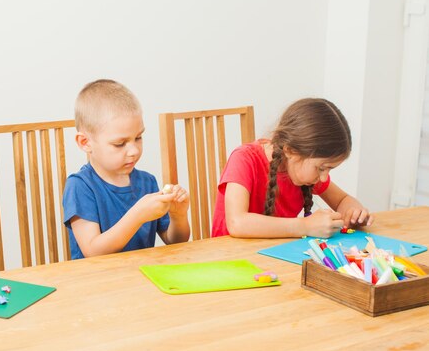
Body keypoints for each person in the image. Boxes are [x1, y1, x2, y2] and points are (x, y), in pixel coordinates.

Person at [63, 79, 190, 259]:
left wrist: (179, 216)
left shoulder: (147, 182)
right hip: (97, 282)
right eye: (120, 144)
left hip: (142, 278)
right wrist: (137, 215)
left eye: (138, 138)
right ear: (85, 143)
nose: (134, 150)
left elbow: (175, 242)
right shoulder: (80, 186)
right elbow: (93, 251)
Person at [211, 98, 373, 238]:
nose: (324, 178)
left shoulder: (303, 170)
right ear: (291, 151)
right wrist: (305, 226)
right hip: (229, 261)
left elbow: (342, 200)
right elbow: (237, 223)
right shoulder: (245, 159)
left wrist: (354, 213)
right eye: (322, 168)